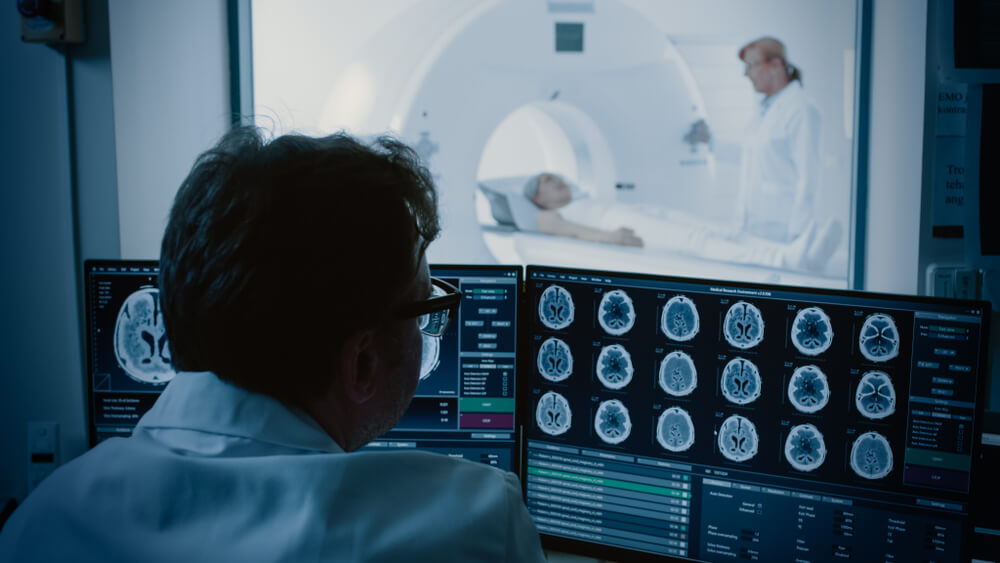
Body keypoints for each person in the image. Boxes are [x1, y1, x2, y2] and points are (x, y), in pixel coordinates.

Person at [0, 127, 546, 562]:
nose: (427, 332)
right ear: (361, 362)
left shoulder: (43, 520)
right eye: (426, 311)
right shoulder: (471, 525)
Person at [685, 36, 837, 248]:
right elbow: (753, 157)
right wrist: (710, 143)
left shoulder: (801, 110)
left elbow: (810, 177)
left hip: (783, 232)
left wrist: (799, 235)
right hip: (753, 227)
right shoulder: (765, 110)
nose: (745, 74)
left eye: (750, 65)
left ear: (776, 65)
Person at [525, 172, 838, 272]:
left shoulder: (582, 197)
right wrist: (612, 237)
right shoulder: (545, 217)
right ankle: (785, 260)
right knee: (695, 241)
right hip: (620, 224)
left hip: (633, 210)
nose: (559, 181)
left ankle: (793, 250)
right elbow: (574, 232)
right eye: (550, 181)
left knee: (717, 230)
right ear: (539, 198)